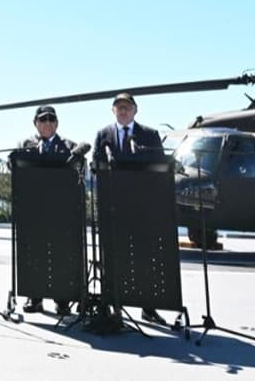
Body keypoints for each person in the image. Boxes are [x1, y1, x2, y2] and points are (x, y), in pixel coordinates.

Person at [91, 92, 167, 325]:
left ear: (135, 111)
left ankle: (148, 307)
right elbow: (95, 166)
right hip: (113, 207)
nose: (123, 111)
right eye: (119, 107)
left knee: (145, 257)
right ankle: (114, 306)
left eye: (127, 107)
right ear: (113, 110)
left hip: (142, 208)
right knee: (114, 258)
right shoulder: (103, 134)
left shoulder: (150, 135)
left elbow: (159, 169)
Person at [19, 105, 77, 316]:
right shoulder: (25, 145)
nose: (47, 123)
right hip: (34, 211)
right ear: (35, 123)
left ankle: (62, 300)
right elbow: (15, 168)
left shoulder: (70, 146)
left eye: (52, 119)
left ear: (57, 123)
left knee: (61, 255)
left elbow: (78, 171)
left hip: (60, 211)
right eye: (43, 119)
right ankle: (35, 298)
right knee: (35, 255)